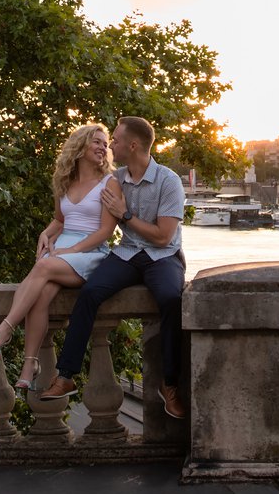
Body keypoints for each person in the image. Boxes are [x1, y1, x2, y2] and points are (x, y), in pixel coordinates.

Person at [37, 115, 188, 420]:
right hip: (128, 253)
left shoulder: (168, 181)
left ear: (133, 146)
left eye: (116, 140)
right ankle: (66, 375)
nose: (111, 145)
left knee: (171, 299)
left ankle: (169, 384)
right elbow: (79, 212)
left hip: (163, 256)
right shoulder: (116, 179)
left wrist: (126, 216)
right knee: (90, 292)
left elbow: (163, 236)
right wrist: (51, 232)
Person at [0, 123, 119, 395]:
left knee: (42, 265)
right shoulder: (64, 180)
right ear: (80, 146)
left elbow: (105, 231)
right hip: (61, 249)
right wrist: (46, 232)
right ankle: (30, 367)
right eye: (98, 142)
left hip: (89, 252)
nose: (104, 148)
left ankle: (5, 330)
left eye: (106, 143)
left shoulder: (109, 182)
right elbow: (60, 219)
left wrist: (71, 250)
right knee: (40, 297)